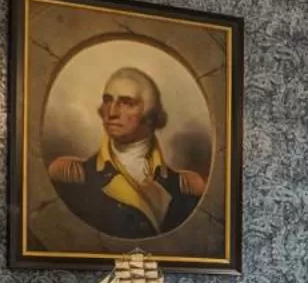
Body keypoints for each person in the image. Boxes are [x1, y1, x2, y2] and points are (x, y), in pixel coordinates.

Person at [48, 68, 208, 237]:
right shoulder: (73, 178)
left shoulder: (185, 187)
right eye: (108, 100)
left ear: (150, 115)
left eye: (127, 103)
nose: (112, 113)